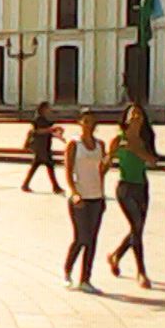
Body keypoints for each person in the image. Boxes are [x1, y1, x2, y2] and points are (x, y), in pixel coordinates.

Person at [106, 102, 158, 289]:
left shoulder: (145, 139)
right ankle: (141, 272)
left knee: (138, 228)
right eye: (132, 114)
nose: (136, 117)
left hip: (142, 186)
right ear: (126, 118)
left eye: (139, 114)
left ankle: (115, 256)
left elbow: (153, 162)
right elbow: (105, 164)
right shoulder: (118, 139)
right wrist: (107, 158)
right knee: (136, 227)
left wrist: (137, 151)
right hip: (125, 188)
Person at [63, 108, 109, 293]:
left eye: (92, 121)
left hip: (96, 196)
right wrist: (74, 192)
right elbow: (68, 171)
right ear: (80, 123)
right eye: (86, 121)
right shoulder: (74, 144)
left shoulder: (100, 145)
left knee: (92, 239)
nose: (89, 125)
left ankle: (85, 279)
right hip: (79, 197)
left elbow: (101, 172)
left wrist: (107, 164)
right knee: (81, 237)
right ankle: (67, 271)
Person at [22, 101, 65, 194]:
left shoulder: (45, 119)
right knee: (49, 165)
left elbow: (48, 131)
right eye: (47, 108)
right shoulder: (38, 119)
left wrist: (58, 135)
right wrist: (52, 129)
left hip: (45, 145)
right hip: (41, 146)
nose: (49, 110)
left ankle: (25, 184)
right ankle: (55, 187)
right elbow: (37, 131)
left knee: (36, 165)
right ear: (42, 109)